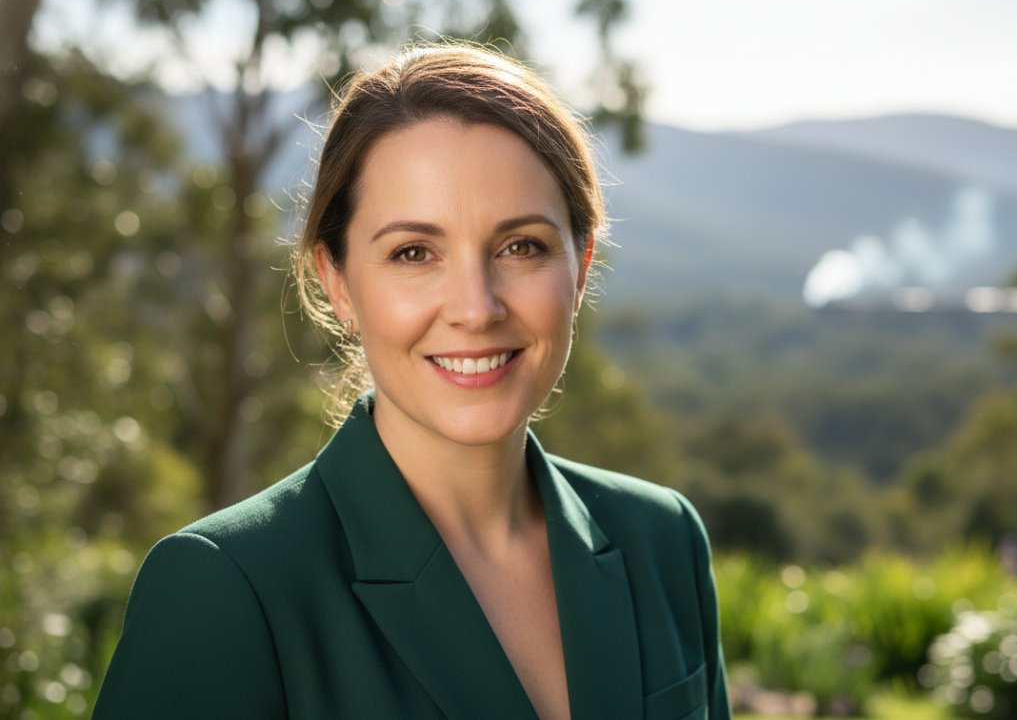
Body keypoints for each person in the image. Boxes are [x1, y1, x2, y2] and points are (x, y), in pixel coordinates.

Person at [93, 43, 730, 720]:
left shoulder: (663, 541)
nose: (476, 307)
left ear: (581, 263)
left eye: (521, 246)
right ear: (336, 281)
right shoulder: (223, 589)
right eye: (414, 253)